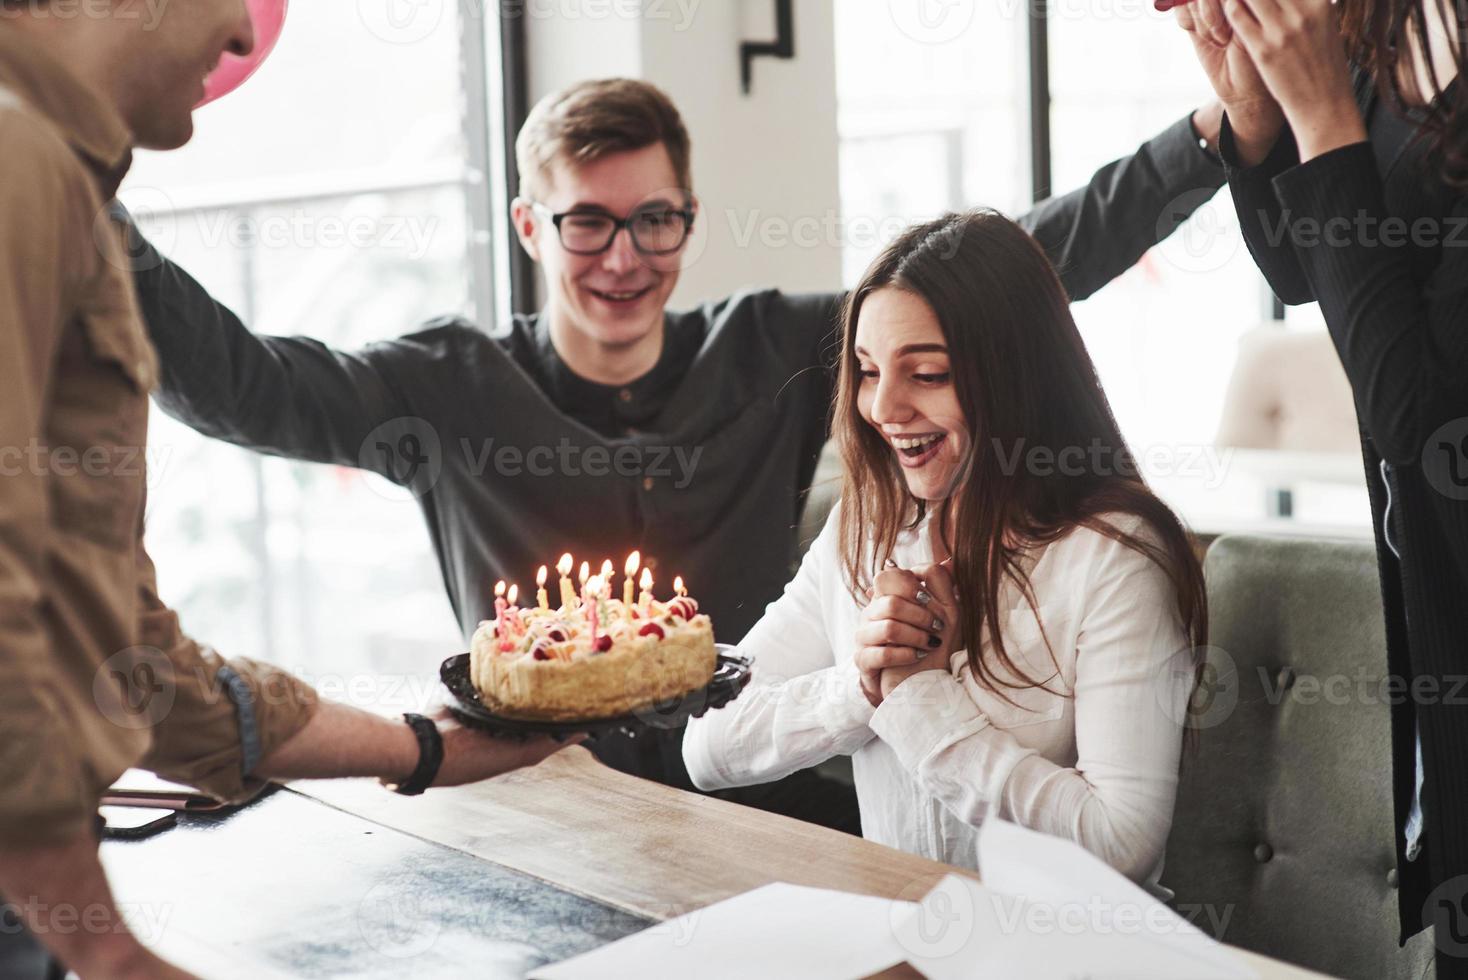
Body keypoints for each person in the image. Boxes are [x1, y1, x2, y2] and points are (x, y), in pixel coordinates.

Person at [123, 74, 1229, 819]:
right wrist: (83, 200)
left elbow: (1002, 281)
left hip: (767, 798)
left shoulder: (778, 348)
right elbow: (241, 388)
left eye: (655, 218)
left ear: (688, 219)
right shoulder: (444, 382)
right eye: (587, 221)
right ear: (527, 227)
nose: (623, 255)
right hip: (549, 801)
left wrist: (1204, 143)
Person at [0, 3, 573, 977]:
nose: (242, 39)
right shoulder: (19, 162)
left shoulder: (72, 193)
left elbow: (125, 650)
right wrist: (103, 945)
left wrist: (422, 746)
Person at [683, 209, 1207, 893]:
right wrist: (863, 684)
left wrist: (921, 699)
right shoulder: (865, 525)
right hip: (908, 945)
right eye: (868, 372)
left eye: (926, 374)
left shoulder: (1115, 555)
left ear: (1015, 379)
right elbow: (710, 744)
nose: (884, 408)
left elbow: (1120, 842)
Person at [1175, 0, 1467, 972]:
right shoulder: (1386, 33)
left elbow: (1418, 414)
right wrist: (1264, 121)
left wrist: (1325, 122)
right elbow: (1314, 274)